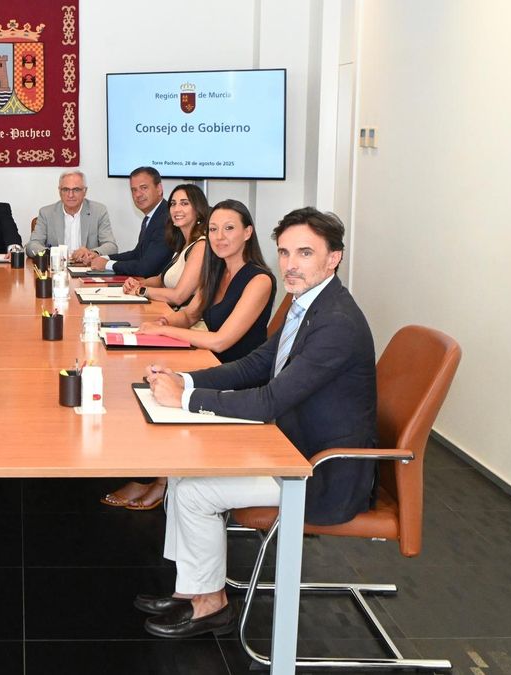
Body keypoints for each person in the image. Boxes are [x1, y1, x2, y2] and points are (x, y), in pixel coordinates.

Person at [137, 207, 376, 639]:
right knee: (180, 471)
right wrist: (184, 379)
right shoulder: (307, 304)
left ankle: (211, 605)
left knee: (193, 491)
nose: (290, 264)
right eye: (284, 252)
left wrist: (185, 398)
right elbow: (255, 365)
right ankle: (191, 589)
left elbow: (270, 400)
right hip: (290, 444)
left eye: (305, 253)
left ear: (333, 258)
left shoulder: (336, 324)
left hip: (321, 471)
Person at [103, 199, 276, 511]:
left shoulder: (259, 279)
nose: (220, 237)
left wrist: (167, 333)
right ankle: (157, 473)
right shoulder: (217, 269)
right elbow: (192, 313)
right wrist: (165, 322)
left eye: (229, 228)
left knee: (161, 390)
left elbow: (221, 341)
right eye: (214, 229)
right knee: (148, 377)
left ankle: (162, 480)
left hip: (237, 378)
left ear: (248, 232)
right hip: (210, 364)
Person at [119, 184, 209, 310]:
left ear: (198, 210)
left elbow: (178, 296)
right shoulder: (183, 244)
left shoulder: (201, 246)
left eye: (184, 203)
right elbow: (161, 280)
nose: (176, 209)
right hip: (170, 312)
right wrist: (137, 283)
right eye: (173, 204)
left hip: (185, 318)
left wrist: (141, 290)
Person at [84, 166, 172, 277]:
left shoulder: (166, 219)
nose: (138, 194)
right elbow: (137, 254)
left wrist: (107, 264)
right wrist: (103, 258)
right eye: (134, 190)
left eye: (144, 188)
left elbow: (146, 268)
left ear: (159, 189)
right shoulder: (152, 216)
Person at [26, 169, 118, 261]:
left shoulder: (98, 211)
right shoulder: (46, 213)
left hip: (87, 266)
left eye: (76, 190)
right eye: (66, 189)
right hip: (57, 267)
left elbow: (111, 246)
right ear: (59, 191)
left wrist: (92, 253)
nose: (70, 195)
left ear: (85, 191)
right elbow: (32, 246)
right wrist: (52, 254)